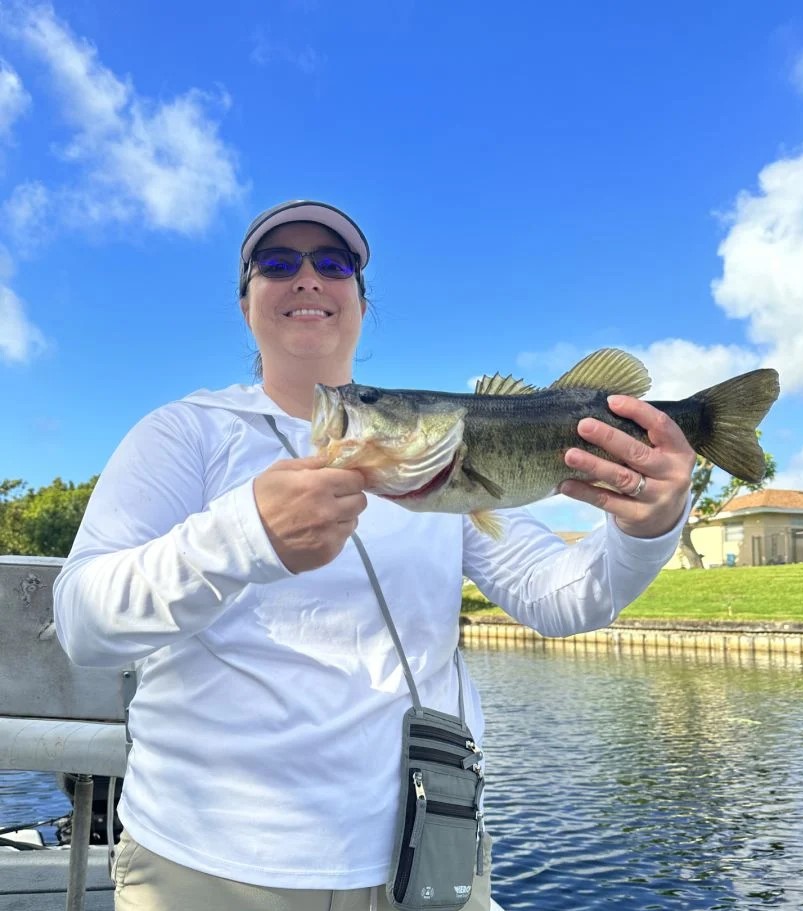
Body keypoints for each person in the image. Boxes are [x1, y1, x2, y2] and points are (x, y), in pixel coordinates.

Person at [53, 199, 695, 911]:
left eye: (333, 263)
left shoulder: (436, 452)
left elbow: (563, 596)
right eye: (276, 263)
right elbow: (83, 622)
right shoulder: (184, 434)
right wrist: (242, 536)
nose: (307, 278)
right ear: (245, 302)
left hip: (426, 859)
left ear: (361, 301)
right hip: (212, 867)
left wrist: (649, 525)